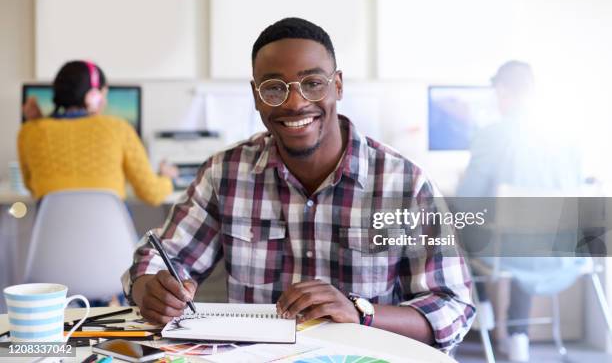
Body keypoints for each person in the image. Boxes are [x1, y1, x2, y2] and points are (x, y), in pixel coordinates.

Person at [123, 18, 475, 352]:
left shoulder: (404, 183)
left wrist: (361, 313)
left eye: (312, 83)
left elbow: (452, 307)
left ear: (337, 85)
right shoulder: (224, 173)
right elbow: (156, 260)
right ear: (256, 95)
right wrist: (150, 289)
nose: (295, 103)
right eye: (274, 88)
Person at [456, 61, 583, 362]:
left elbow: (466, 200)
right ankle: (518, 339)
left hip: (510, 254)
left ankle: (480, 309)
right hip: (562, 252)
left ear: (501, 91)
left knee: (451, 225)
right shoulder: (566, 137)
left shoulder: (492, 135)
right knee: (529, 234)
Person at [18, 60, 177, 206]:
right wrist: (167, 177)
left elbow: (33, 186)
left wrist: (37, 123)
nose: (105, 101)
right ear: (93, 96)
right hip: (110, 237)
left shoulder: (30, 132)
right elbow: (151, 194)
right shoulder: (119, 128)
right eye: (104, 94)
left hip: (52, 236)